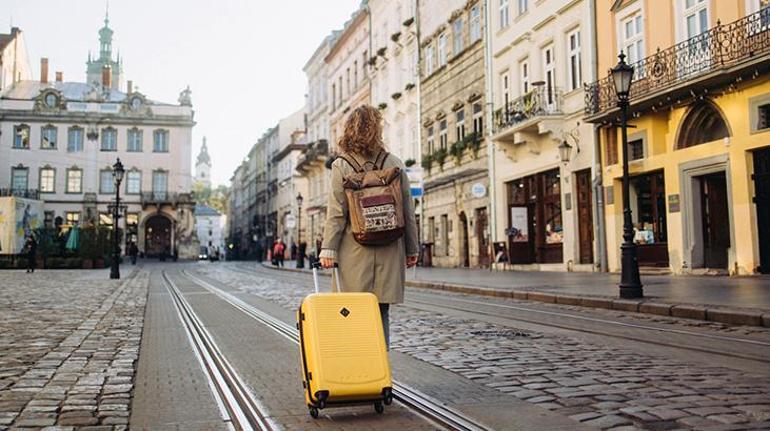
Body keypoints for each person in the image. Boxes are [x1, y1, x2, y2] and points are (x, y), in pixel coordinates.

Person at [319, 105, 419, 348]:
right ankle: (380, 367)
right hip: (390, 245)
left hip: (354, 248)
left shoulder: (342, 165)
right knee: (380, 309)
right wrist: (411, 249)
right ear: (377, 129)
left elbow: (337, 212)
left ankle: (357, 364)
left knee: (351, 310)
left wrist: (328, 249)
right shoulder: (393, 162)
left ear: (349, 130)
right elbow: (407, 209)